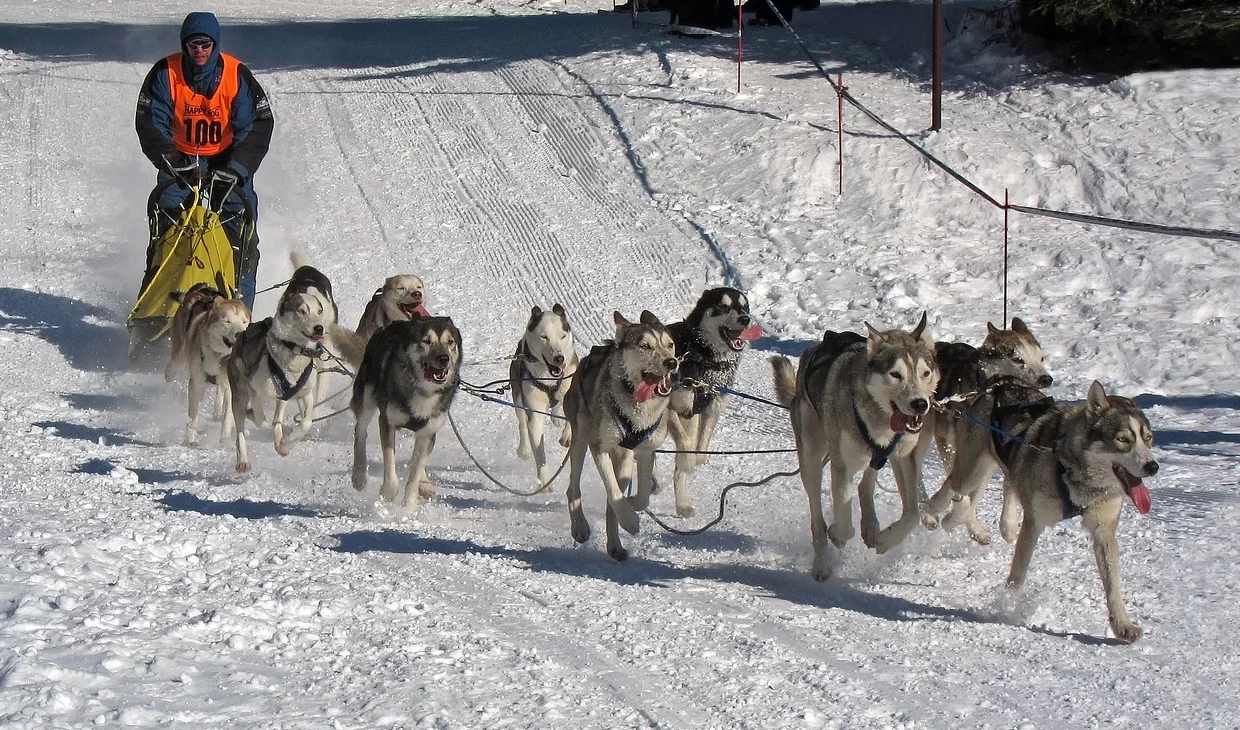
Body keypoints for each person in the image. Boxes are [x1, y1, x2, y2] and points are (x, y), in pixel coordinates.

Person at [135, 11, 273, 309]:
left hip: (228, 162)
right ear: (184, 46)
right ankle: (159, 304)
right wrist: (172, 159)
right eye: (193, 45)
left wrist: (236, 169)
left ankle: (240, 311)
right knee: (167, 232)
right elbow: (149, 122)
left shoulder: (236, 75)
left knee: (242, 238)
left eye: (205, 45)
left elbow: (258, 125)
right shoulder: (165, 73)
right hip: (181, 161)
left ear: (215, 45)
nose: (199, 51)